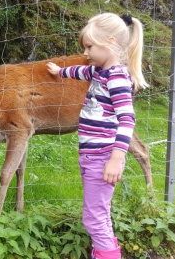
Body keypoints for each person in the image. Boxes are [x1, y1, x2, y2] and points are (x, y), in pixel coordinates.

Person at [46, 13, 148, 259]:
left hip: (104, 159)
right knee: (98, 215)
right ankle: (105, 252)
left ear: (110, 42)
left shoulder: (117, 78)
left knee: (93, 219)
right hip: (91, 157)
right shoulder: (99, 72)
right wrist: (60, 72)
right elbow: (80, 71)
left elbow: (127, 120)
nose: (86, 52)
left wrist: (115, 159)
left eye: (90, 46)